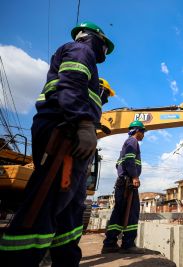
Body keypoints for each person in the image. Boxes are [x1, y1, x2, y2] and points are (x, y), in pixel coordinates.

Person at [0, 22, 114, 266]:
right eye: (105, 46)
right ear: (96, 39)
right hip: (65, 132)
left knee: (69, 209)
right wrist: (84, 123)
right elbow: (71, 85)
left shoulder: (84, 59)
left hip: (70, 133)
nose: (105, 52)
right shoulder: (81, 51)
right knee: (46, 202)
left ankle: (65, 261)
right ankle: (19, 260)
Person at [102, 121, 147, 254]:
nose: (143, 135)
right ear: (137, 131)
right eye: (143, 131)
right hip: (128, 183)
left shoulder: (125, 144)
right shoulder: (133, 142)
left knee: (119, 212)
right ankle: (128, 244)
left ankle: (110, 243)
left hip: (122, 183)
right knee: (132, 212)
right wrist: (134, 176)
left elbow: (118, 165)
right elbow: (129, 160)